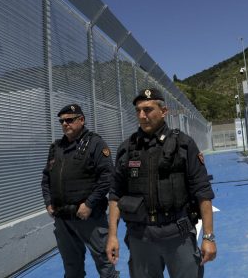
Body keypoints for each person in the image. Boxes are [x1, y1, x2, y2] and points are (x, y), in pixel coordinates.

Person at [106, 88, 217, 278]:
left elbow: (202, 191)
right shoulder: (127, 149)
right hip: (141, 238)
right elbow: (116, 194)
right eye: (138, 110)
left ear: (163, 111)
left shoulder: (183, 145)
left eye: (148, 109)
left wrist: (208, 237)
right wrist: (113, 235)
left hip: (178, 236)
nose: (142, 115)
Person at [41, 104, 118, 278]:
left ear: (81, 120)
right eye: (62, 121)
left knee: (105, 264)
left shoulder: (95, 143)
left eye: (69, 120)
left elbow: (107, 177)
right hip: (63, 219)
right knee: (71, 265)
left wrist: (89, 204)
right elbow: (46, 179)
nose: (65, 124)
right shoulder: (56, 148)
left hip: (89, 218)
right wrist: (48, 203)